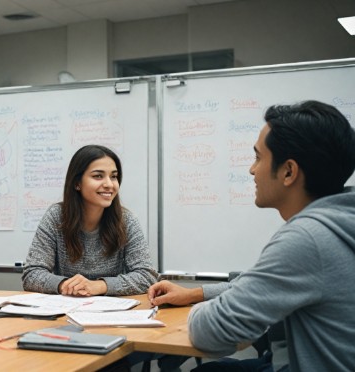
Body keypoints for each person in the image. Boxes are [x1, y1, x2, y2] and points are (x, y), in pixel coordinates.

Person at [149, 100, 355, 371]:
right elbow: (260, 283)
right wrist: (198, 293)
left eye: (258, 157)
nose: (251, 169)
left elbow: (210, 332)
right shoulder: (339, 217)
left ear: (289, 171)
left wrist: (199, 310)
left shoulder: (308, 238)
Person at [22, 144, 158, 296]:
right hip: (66, 310)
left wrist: (99, 286)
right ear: (77, 183)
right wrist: (66, 285)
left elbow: (147, 277)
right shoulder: (56, 217)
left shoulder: (126, 221)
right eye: (98, 176)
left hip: (113, 314)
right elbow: (32, 275)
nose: (109, 184)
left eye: (113, 176)